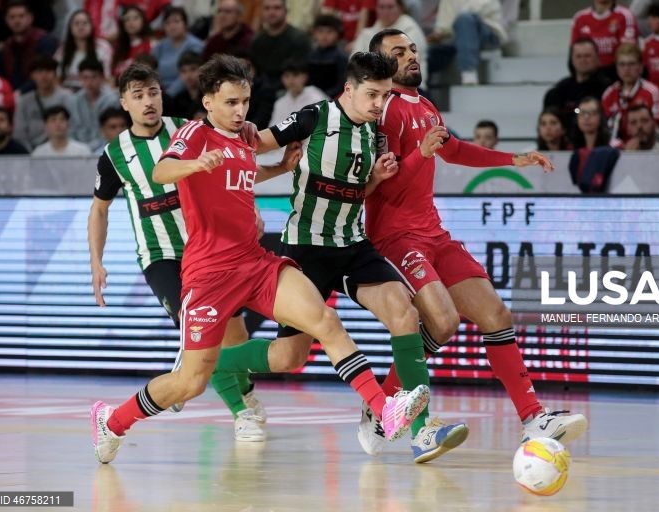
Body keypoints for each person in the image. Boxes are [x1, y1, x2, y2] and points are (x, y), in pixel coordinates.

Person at [90, 54, 431, 463]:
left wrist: (278, 167)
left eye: (245, 102)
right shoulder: (195, 134)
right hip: (209, 274)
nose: (240, 111)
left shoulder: (243, 137)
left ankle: (384, 410)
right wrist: (194, 164)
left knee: (325, 321)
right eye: (231, 102)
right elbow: (163, 171)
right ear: (210, 101)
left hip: (255, 262)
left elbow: (241, 173)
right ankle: (112, 421)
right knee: (190, 382)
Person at [223, 51, 469, 462]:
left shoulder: (375, 134)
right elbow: (250, 146)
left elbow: (357, 193)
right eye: (372, 94)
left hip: (353, 245)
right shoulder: (314, 117)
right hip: (306, 250)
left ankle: (423, 428)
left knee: (405, 314)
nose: (379, 104)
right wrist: (240, 131)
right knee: (289, 357)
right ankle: (216, 363)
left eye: (385, 95)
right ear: (349, 89)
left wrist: (375, 180)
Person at [367, 28, 588, 447]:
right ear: (380, 65)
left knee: (496, 314)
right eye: (399, 52)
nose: (411, 56)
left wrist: (513, 159)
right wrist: (421, 155)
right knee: (443, 321)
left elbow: (456, 150)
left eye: (413, 49)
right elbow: (378, 186)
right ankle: (387, 411)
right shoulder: (385, 112)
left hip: (433, 232)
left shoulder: (426, 106)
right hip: (396, 237)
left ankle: (533, 419)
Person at [88, 62, 261, 426]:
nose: (148, 102)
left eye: (153, 92)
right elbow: (99, 210)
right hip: (160, 255)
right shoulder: (115, 154)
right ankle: (239, 412)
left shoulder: (189, 129)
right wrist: (96, 262)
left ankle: (238, 389)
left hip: (210, 249)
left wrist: (252, 212)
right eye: (138, 96)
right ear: (124, 103)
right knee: (196, 324)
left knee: (236, 333)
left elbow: (234, 168)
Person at [601, 42, 659, 144]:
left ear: (640, 66)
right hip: (615, 148)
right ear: (616, 67)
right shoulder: (609, 94)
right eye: (622, 64)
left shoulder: (652, 92)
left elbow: (657, 127)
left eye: (631, 64)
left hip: (647, 146)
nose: (626, 69)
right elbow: (604, 128)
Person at [543, 38, 613, 131]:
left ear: (597, 57)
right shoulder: (558, 91)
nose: (583, 60)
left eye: (587, 56)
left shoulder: (609, 89)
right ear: (571, 59)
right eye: (578, 56)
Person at [12, 55, 72, 151]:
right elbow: (19, 133)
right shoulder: (24, 101)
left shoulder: (67, 98)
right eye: (39, 72)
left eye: (48, 71)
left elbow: (72, 127)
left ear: (55, 74)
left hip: (62, 150)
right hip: (30, 152)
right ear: (32, 75)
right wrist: (30, 153)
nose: (44, 76)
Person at [570, 0, 638, 80]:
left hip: (615, 77)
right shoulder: (580, 18)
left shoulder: (625, 15)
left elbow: (628, 54)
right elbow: (573, 55)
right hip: (587, 77)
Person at [152, 6, 205, 97]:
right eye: (167, 23)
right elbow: (151, 69)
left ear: (185, 24)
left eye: (176, 21)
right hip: (160, 91)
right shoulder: (159, 46)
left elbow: (190, 76)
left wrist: (168, 95)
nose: (172, 26)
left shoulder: (195, 45)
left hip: (185, 93)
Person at [67, 57, 119, 151]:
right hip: (78, 149)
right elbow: (71, 130)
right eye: (85, 78)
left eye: (94, 77)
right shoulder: (73, 101)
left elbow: (111, 132)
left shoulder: (112, 100)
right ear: (80, 78)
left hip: (104, 147)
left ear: (102, 78)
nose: (89, 82)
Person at [55, 9, 113, 91]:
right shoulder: (62, 50)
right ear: (70, 28)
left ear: (91, 26)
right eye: (76, 23)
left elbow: (108, 79)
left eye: (85, 23)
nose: (81, 26)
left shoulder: (103, 47)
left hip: (95, 93)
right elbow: (57, 79)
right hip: (67, 94)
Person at [268, 59, 327, 127]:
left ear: (305, 76)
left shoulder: (316, 97)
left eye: (295, 75)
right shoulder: (279, 103)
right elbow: (273, 129)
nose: (291, 80)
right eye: (287, 76)